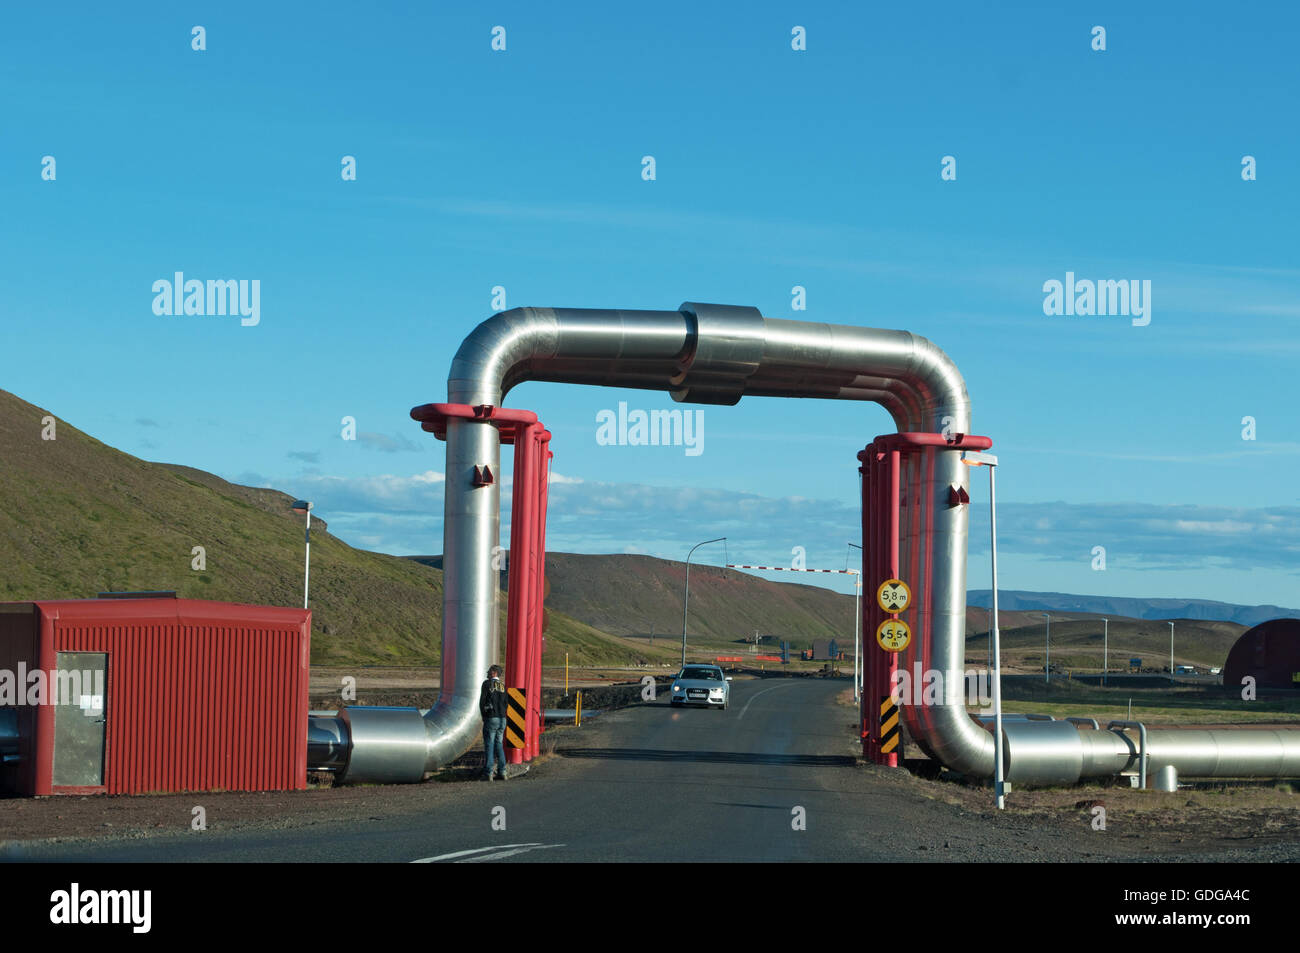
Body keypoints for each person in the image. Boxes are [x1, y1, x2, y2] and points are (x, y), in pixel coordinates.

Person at [479, 664, 508, 781]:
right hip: (502, 719)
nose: (487, 673)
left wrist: (483, 716)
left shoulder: (486, 684)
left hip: (492, 718)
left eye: (489, 671)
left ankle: (489, 772)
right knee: (499, 745)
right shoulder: (503, 686)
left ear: (494, 673)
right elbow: (506, 703)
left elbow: (482, 701)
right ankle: (502, 771)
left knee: (489, 744)